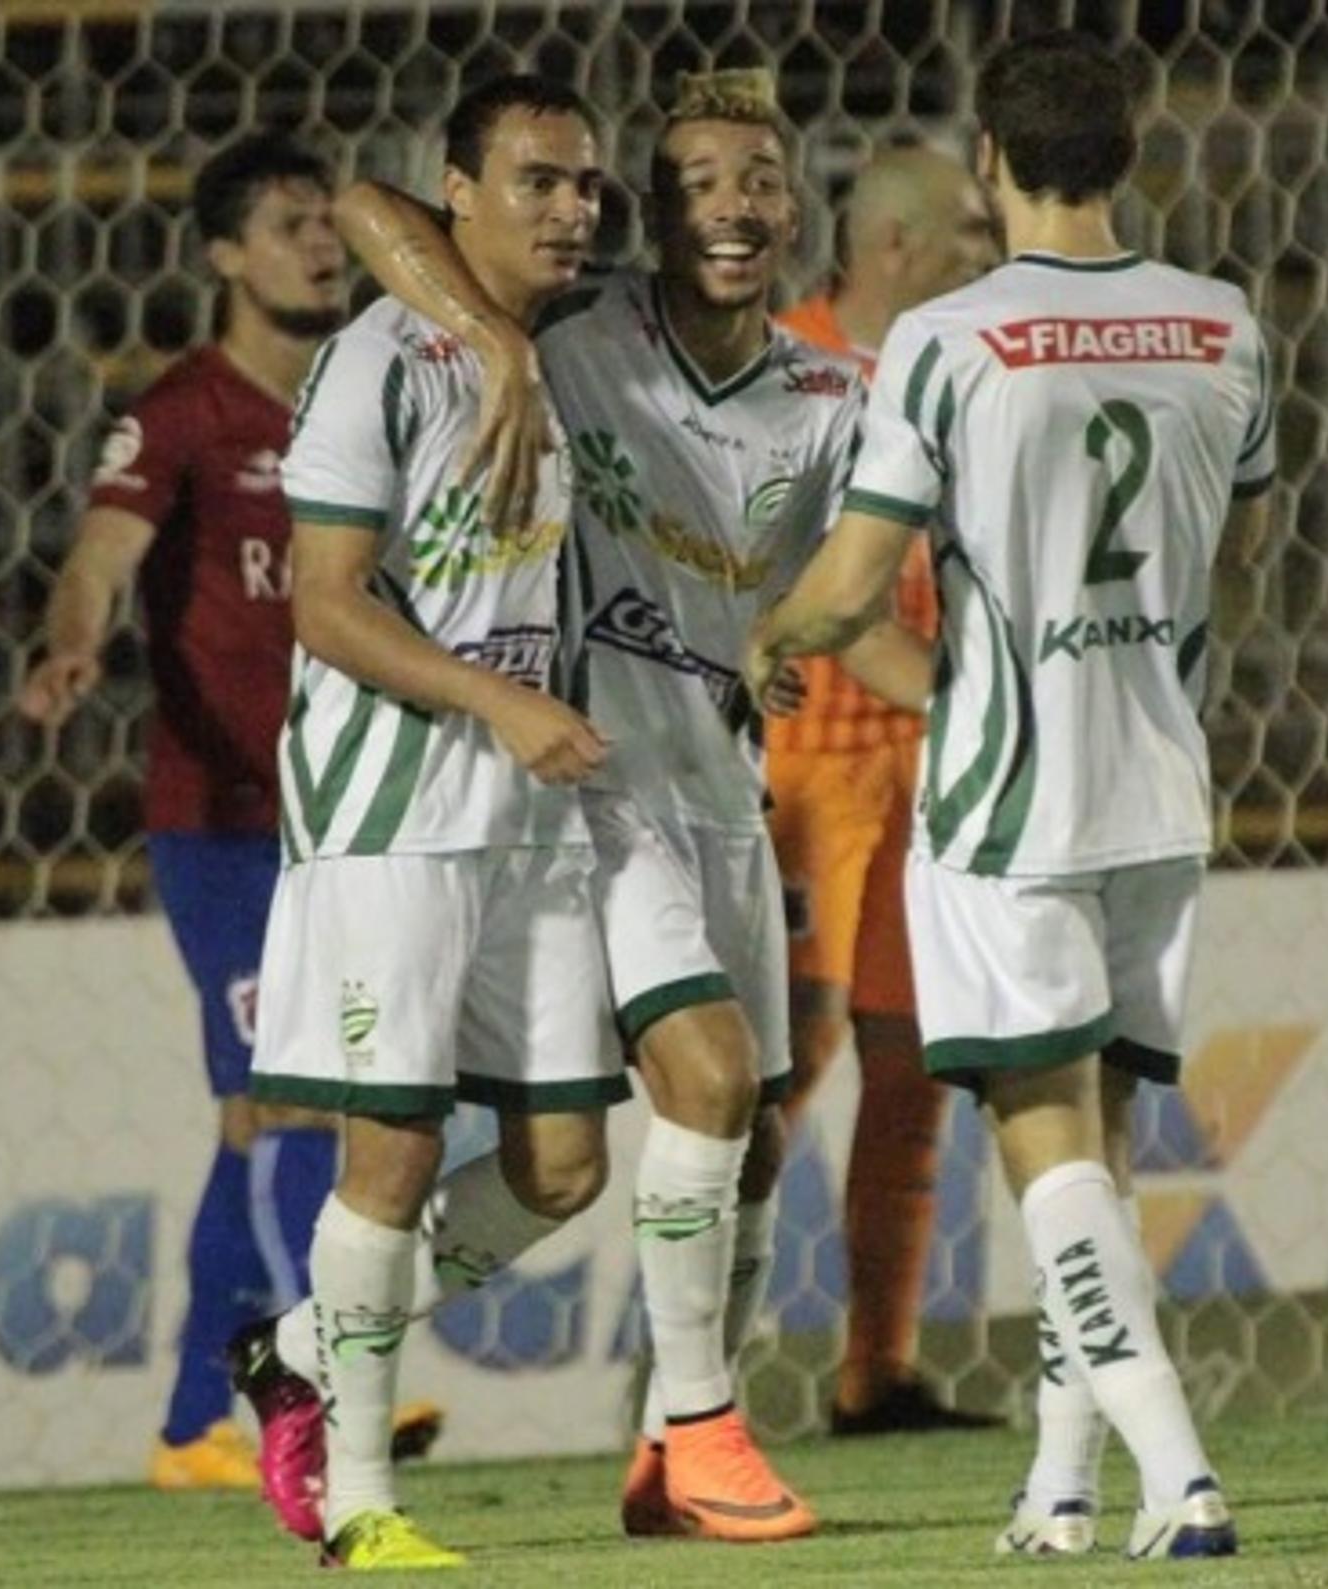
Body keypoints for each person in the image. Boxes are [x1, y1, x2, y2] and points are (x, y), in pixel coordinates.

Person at [334, 68, 931, 1543]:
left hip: (721, 785)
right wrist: (495, 340)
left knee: (737, 1139)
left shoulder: (829, 398)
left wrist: (914, 688)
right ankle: (704, 1424)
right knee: (715, 1083)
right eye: (699, 185)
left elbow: (832, 600)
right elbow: (367, 203)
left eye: (761, 180)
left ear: (796, 209)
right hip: (592, 787)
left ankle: (310, 1354)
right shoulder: (572, 341)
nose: (735, 206)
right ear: (650, 219)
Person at [749, 30, 1273, 1562]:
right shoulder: (1227, 324)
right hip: (1161, 784)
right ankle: (1061, 1483)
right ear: (1131, 148)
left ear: (993, 159)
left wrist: (771, 633)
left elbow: (852, 587)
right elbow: (1221, 562)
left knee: (1042, 1146)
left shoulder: (947, 339)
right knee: (1100, 1150)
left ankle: (1180, 1477)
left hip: (1005, 793)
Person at [18, 139, 451, 1493]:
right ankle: (302, 1383)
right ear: (223, 256)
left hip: (356, 816)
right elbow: (100, 556)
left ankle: (191, 1423)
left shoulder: (365, 399)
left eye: (330, 222)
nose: (321, 244)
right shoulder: (185, 412)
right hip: (222, 825)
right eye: (286, 225)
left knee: (267, 1116)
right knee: (281, 1099)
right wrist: (72, 641)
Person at [235, 74, 625, 1571]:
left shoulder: (565, 344)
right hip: (394, 799)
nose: (571, 208)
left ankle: (300, 1349)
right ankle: (357, 1509)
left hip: (521, 809)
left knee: (564, 1162)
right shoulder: (375, 361)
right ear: (455, 193)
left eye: (583, 183)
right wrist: (498, 701)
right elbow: (327, 610)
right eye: (535, 181)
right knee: (388, 1155)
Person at [768, 144, 1004, 1436]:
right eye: (972, 230)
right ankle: (689, 1378)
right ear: (900, 247)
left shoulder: (959, 375)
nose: (991, 247)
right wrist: (973, 701)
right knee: (781, 1065)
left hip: (921, 765)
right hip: (804, 761)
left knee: (914, 1068)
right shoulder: (786, 369)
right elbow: (818, 597)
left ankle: (879, 1372)